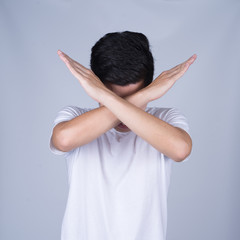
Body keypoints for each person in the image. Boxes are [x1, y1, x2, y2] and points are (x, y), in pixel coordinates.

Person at [49, 31, 197, 240]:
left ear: (150, 87)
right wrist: (141, 98)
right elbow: (63, 140)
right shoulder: (75, 117)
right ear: (96, 86)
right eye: (110, 96)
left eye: (136, 95)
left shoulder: (165, 118)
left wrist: (106, 98)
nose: (123, 116)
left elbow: (180, 149)